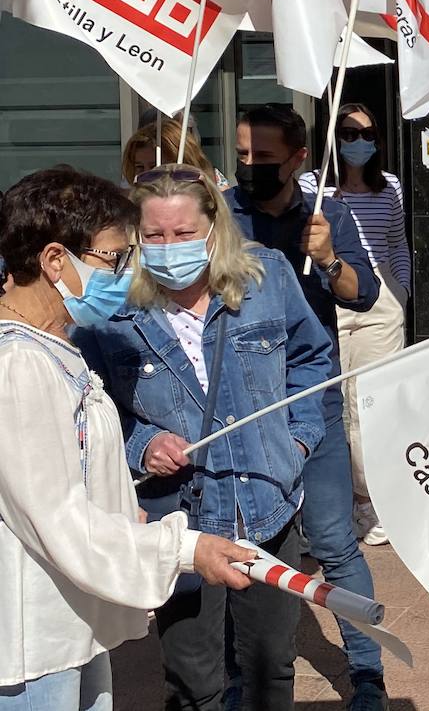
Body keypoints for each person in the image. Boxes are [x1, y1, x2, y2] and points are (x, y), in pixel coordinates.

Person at [77, 164, 334, 711]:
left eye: (184, 233)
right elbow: (87, 404)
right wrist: (140, 443)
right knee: (194, 678)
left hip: (269, 505)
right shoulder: (110, 311)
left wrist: (299, 440)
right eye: (155, 236)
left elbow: (312, 360)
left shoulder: (267, 275)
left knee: (270, 665)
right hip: (179, 520)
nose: (169, 247)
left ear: (214, 230)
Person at [0, 167, 253, 710]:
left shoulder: (51, 345)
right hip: (30, 641)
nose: (126, 271)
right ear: (53, 261)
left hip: (68, 622)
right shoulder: (18, 363)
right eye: (113, 258)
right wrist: (183, 549)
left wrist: (119, 507)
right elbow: (55, 514)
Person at [228, 106, 388, 710]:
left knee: (334, 543)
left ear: (297, 160)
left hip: (308, 404)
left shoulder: (327, 214)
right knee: (241, 546)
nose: (249, 169)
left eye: (264, 159)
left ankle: (367, 671)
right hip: (237, 411)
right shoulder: (219, 216)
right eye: (242, 156)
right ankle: (241, 672)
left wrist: (326, 257)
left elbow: (364, 293)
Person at [300, 103, 412, 546]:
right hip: (332, 293)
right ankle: (329, 504)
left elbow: (396, 240)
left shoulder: (391, 187)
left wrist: (400, 290)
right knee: (328, 405)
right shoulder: (313, 185)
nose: (358, 141)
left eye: (367, 133)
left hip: (379, 296)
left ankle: (370, 500)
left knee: (370, 404)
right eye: (347, 133)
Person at [122, 119, 229, 190]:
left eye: (154, 167)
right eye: (139, 167)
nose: (146, 175)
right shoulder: (130, 206)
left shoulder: (213, 197)